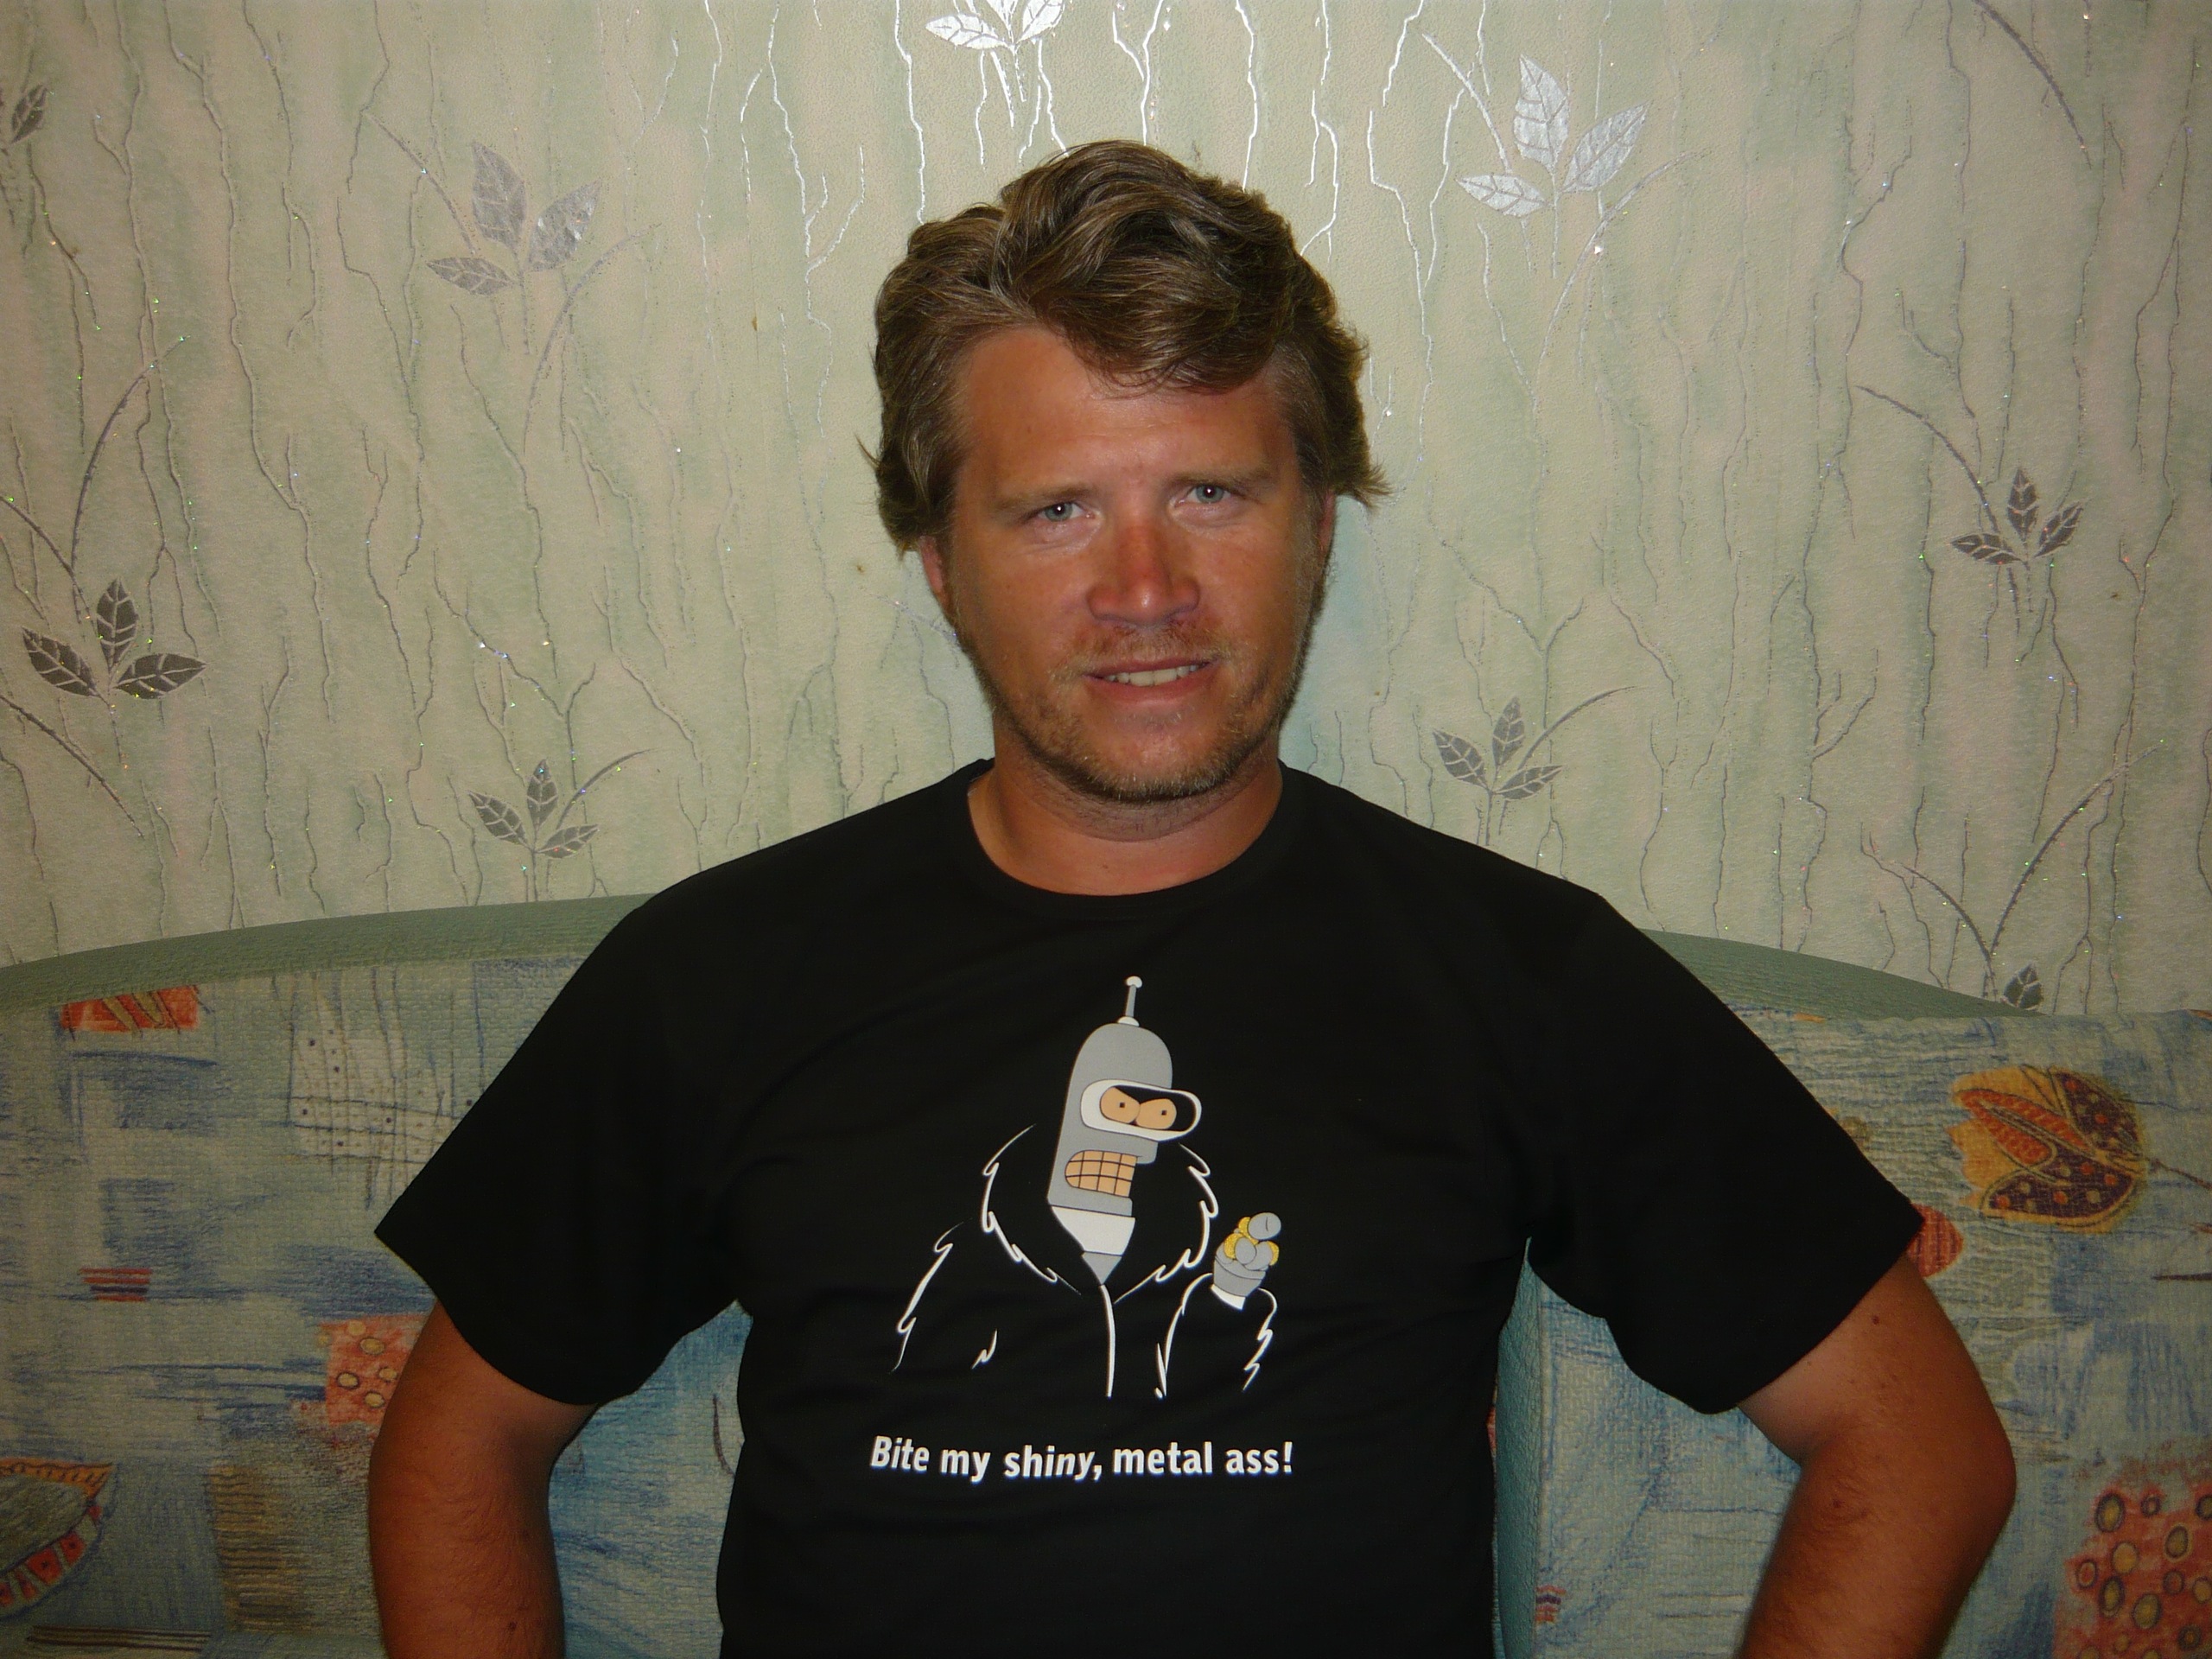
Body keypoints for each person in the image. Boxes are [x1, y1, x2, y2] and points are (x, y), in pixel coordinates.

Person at [367, 139, 2014, 1657]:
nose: (1144, 592)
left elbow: (1919, 1445)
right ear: (941, 565)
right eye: (1057, 511)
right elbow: (459, 1438)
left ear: (1318, 532)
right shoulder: (721, 972)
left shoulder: (1520, 974)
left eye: (1212, 495)